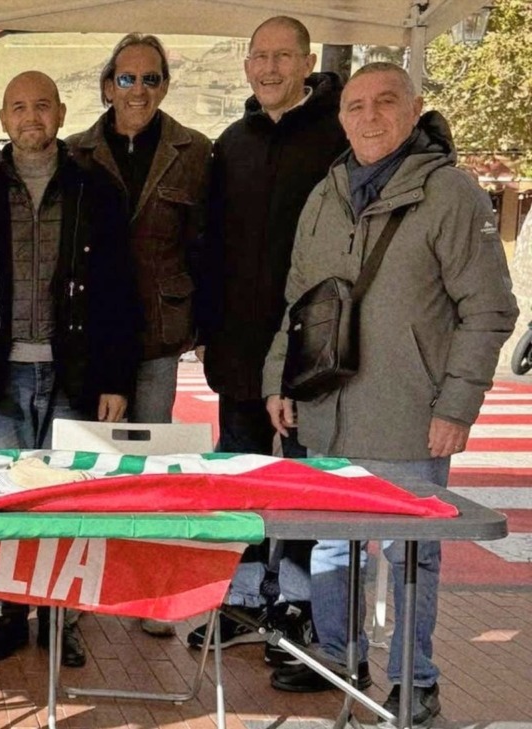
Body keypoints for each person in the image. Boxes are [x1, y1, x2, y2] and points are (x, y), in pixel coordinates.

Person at [262, 64, 517, 718]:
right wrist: (278, 380)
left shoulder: (450, 193)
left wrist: (456, 405)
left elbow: (489, 309)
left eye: (385, 102)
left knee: (413, 556)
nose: (370, 117)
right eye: (356, 106)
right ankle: (340, 658)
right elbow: (298, 302)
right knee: (331, 546)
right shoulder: (325, 195)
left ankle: (415, 678)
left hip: (410, 415)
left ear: (414, 108)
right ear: (340, 117)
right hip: (326, 412)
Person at [0, 71, 140, 667]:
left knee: (65, 500)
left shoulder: (96, 189)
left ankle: (60, 617)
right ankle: (10, 613)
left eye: (41, 106)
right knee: (8, 501)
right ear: (2, 119)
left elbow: (120, 292)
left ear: (61, 113)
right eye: (18, 107)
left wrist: (116, 380)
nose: (31, 117)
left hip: (74, 375)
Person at [192, 16, 348, 657]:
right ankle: (244, 599)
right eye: (260, 56)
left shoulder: (340, 137)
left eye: (283, 56)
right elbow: (208, 245)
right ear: (247, 66)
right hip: (238, 351)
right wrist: (205, 329)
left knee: (305, 484)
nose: (270, 68)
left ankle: (301, 608)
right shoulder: (231, 143)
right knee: (242, 479)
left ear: (307, 62)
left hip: (315, 354)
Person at [67, 35, 211, 638]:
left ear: (165, 87)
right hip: (90, 335)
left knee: (151, 467)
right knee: (89, 467)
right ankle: (80, 590)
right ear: (108, 86)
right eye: (127, 79)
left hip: (157, 332)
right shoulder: (76, 152)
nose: (139, 91)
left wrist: (203, 326)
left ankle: (150, 591)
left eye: (151, 79)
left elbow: (207, 245)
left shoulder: (195, 152)